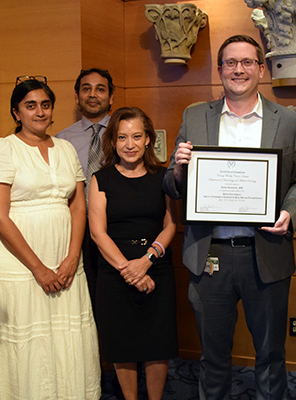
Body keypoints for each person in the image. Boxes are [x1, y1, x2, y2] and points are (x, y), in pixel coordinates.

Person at [163, 34, 296, 400]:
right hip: (209, 253)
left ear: (261, 69)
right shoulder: (195, 116)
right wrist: (179, 170)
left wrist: (291, 211)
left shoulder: (288, 120)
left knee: (271, 354)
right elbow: (171, 182)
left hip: (267, 252)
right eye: (230, 62)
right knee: (212, 357)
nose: (238, 70)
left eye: (246, 62)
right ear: (220, 70)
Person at [0, 76, 101, 399]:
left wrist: (72, 257)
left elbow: (78, 205)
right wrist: (38, 268)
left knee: (65, 338)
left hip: (65, 261)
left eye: (45, 105)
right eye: (30, 106)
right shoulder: (1, 148)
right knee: (24, 342)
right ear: (16, 112)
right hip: (19, 264)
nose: (39, 112)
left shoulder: (64, 147)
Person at [89, 107, 178, 400]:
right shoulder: (100, 179)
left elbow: (170, 225)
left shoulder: (164, 177)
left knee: (157, 343)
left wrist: (146, 262)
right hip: (114, 271)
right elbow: (97, 233)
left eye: (137, 136)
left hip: (156, 266)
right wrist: (129, 270)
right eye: (122, 137)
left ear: (149, 139)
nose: (130, 144)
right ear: (113, 141)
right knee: (122, 342)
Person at [57, 68, 115, 312]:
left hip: (115, 228)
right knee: (85, 302)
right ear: (76, 96)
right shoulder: (61, 140)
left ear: (111, 98)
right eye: (86, 89)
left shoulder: (124, 134)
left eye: (100, 89)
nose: (93, 95)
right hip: (77, 233)